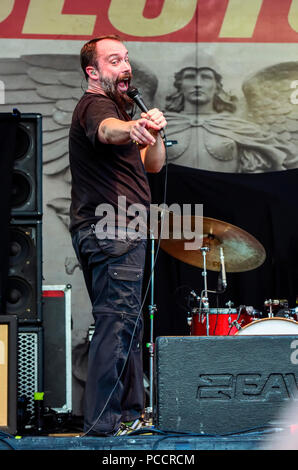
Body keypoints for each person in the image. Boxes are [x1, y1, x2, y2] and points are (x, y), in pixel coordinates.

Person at [68, 35, 167, 436]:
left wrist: (153, 131)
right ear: (94, 72)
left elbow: (154, 166)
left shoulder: (123, 110)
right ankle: (103, 426)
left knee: (126, 323)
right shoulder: (97, 104)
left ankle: (128, 416)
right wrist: (131, 126)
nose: (125, 66)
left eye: (126, 59)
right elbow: (108, 131)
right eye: (114, 60)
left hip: (120, 230)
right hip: (113, 228)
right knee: (117, 321)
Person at [165, 57, 297, 172]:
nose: (198, 84)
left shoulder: (238, 128)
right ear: (180, 85)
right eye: (190, 77)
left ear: (217, 86)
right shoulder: (162, 125)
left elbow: (256, 173)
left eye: (206, 77)